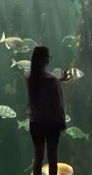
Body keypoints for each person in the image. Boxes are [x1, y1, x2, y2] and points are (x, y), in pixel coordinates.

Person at [25, 46, 70, 175]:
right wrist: (62, 121)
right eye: (48, 57)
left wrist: (58, 80)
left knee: (38, 157)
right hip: (52, 123)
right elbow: (58, 103)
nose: (49, 60)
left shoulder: (28, 76)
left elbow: (42, 85)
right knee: (52, 157)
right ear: (44, 59)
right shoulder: (51, 79)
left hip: (36, 122)